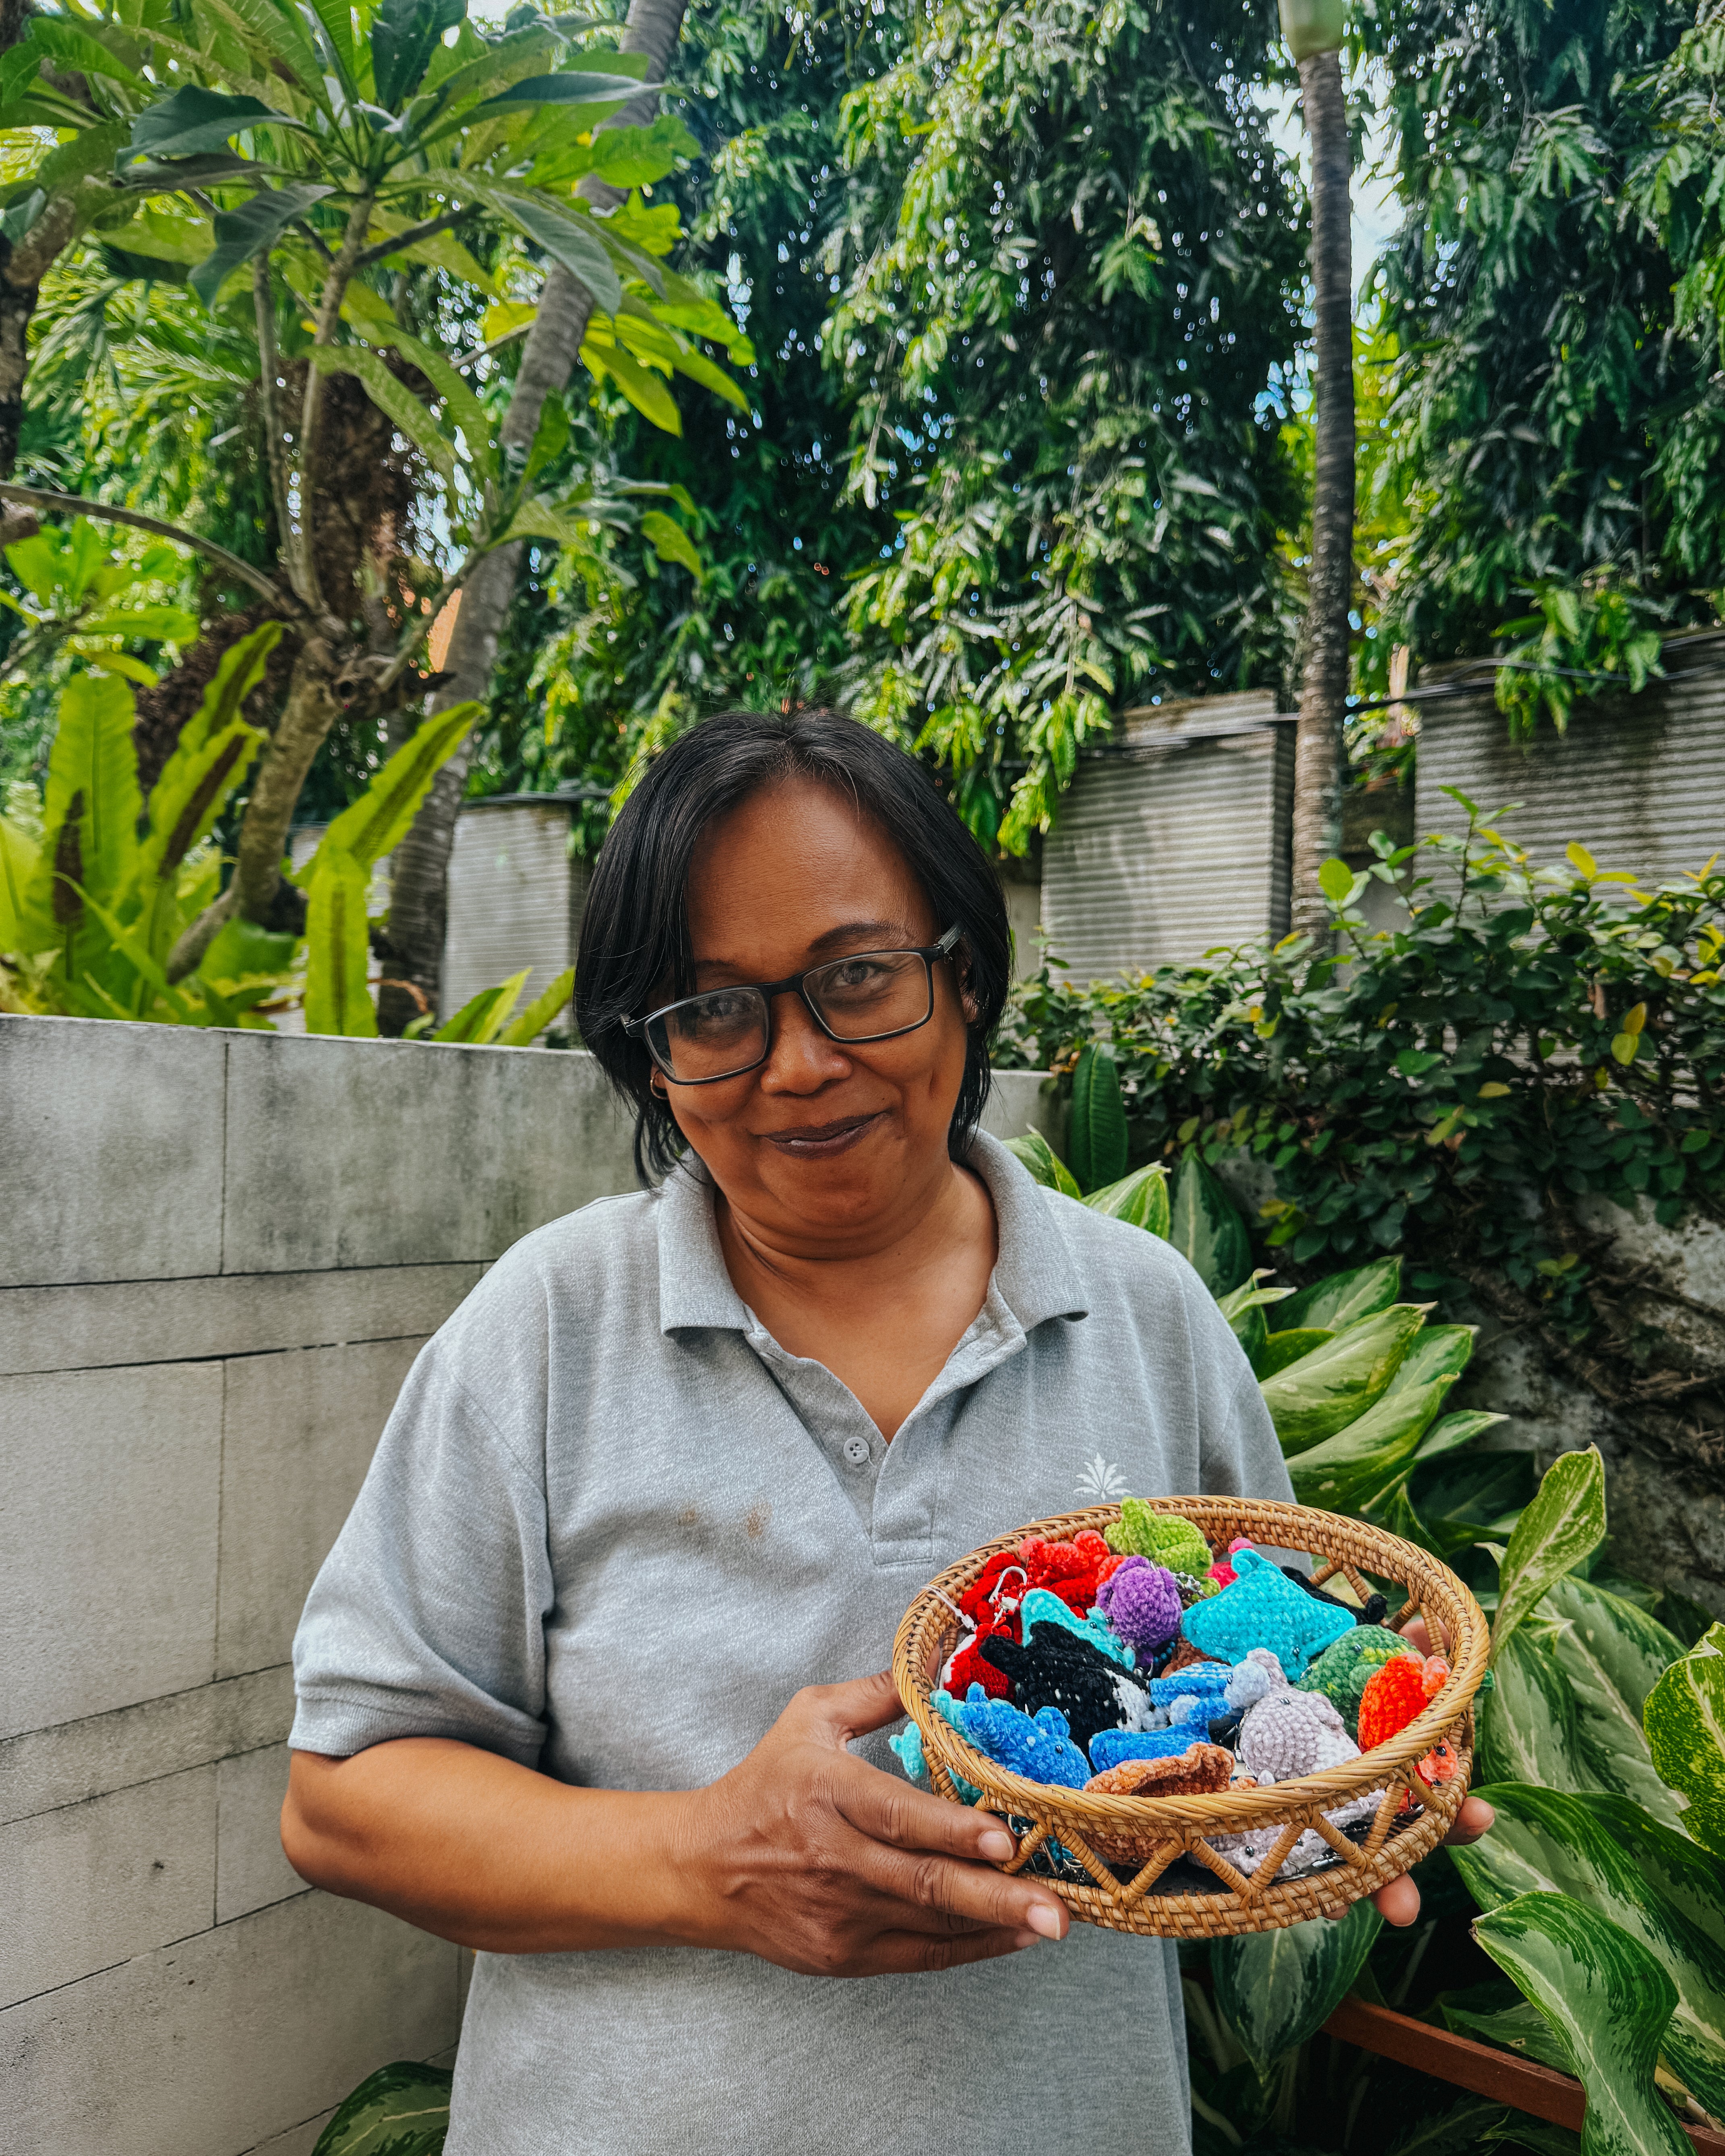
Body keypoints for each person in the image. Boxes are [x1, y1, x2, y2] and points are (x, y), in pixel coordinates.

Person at [283, 709, 1490, 2155]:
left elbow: (1248, 1694)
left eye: (856, 978)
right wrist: (708, 1860)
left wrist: (1348, 1771)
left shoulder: (1150, 1318)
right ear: (650, 1055)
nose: (796, 1063)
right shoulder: (545, 1327)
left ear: (963, 978)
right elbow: (345, 1797)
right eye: (714, 1009)